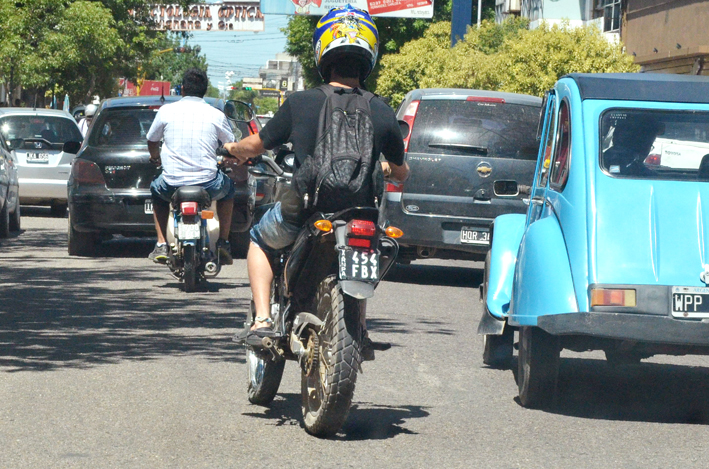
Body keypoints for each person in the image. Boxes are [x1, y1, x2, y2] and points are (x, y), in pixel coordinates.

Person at [224, 5, 410, 354]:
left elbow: (256, 145)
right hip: (361, 214)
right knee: (363, 253)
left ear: (323, 51)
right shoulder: (382, 110)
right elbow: (400, 170)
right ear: (369, 52)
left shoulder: (301, 102)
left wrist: (233, 147)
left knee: (259, 239)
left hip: (306, 210)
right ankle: (361, 328)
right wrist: (384, 169)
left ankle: (263, 320)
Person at [146, 67, 237, 264]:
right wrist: (229, 157)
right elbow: (230, 145)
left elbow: (152, 140)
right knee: (229, 190)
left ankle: (161, 243)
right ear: (204, 90)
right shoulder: (216, 115)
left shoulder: (166, 111)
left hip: (171, 183)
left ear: (182, 89)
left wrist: (155, 158)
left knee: (156, 190)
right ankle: (223, 242)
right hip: (208, 183)